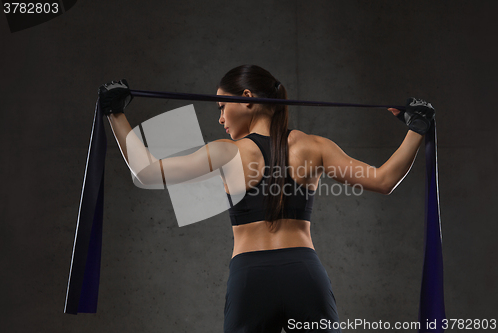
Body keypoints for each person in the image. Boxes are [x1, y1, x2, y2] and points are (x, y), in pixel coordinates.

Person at [98, 64, 435, 332]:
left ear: (247, 98)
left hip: (250, 278)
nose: (219, 118)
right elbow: (384, 180)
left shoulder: (226, 152)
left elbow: (145, 172)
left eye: (222, 106)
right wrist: (416, 127)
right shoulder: (313, 146)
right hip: (304, 274)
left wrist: (116, 113)